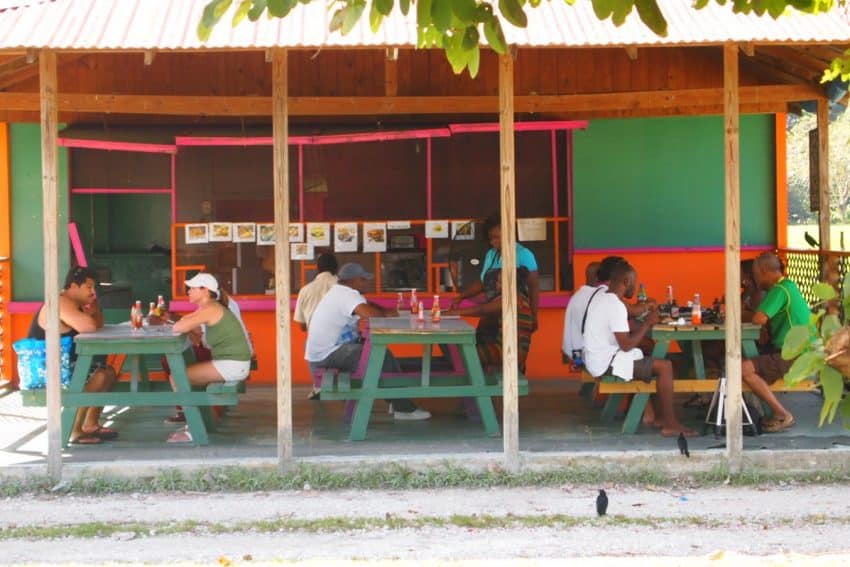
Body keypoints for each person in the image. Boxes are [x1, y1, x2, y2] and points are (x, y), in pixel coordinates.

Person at [583, 261, 697, 437]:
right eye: (634, 283)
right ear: (626, 281)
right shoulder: (615, 305)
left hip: (599, 358)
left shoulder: (605, 298)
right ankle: (670, 424)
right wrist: (647, 323)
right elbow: (627, 345)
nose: (635, 287)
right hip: (605, 363)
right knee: (665, 367)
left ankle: (660, 417)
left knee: (650, 356)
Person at [306, 262, 430, 421]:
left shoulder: (339, 292)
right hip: (328, 355)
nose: (366, 282)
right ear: (353, 280)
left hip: (322, 355)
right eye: (363, 279)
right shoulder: (347, 294)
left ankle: (397, 399)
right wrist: (386, 314)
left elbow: (367, 305)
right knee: (379, 356)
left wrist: (385, 311)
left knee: (383, 355)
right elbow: (368, 312)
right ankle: (402, 407)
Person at [28, 266, 117, 445]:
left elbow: (97, 324)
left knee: (108, 372)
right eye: (89, 288)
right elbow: (89, 327)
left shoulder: (76, 304)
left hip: (63, 363)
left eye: (94, 288)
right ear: (73, 286)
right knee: (99, 376)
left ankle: (91, 424)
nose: (93, 292)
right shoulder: (61, 302)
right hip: (47, 369)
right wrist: (90, 313)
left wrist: (94, 308)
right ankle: (73, 430)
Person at [166, 273, 253, 442]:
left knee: (177, 377)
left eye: (192, 288)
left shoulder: (210, 308)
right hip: (230, 363)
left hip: (232, 365)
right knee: (183, 376)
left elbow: (180, 326)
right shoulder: (209, 307)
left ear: (205, 291)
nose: (188, 291)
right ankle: (197, 422)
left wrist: (183, 322)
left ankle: (193, 427)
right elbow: (187, 322)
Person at [741, 252, 810, 433]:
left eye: (755, 274)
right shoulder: (787, 286)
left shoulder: (780, 289)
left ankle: (782, 414)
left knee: (744, 369)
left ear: (764, 271)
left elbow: (758, 319)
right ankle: (761, 411)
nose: (754, 279)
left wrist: (735, 312)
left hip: (796, 355)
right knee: (748, 358)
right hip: (798, 351)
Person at [451, 215, 540, 331]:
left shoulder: (524, 254)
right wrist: (461, 296)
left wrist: (534, 315)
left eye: (496, 237)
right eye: (491, 238)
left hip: (515, 316)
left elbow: (533, 287)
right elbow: (483, 282)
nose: (493, 242)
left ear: (508, 233)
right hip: (491, 315)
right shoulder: (491, 255)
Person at [445, 267, 534, 373]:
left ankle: (475, 383)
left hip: (509, 351)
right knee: (460, 351)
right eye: (497, 282)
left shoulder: (513, 300)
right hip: (506, 347)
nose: (497, 285)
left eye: (501, 283)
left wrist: (449, 313)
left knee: (463, 354)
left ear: (512, 285)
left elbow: (482, 310)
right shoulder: (510, 299)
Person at [294, 253, 339, 400]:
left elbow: (302, 325)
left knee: (310, 345)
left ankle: (318, 386)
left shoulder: (305, 290)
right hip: (343, 342)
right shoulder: (342, 287)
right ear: (336, 268)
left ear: (317, 268)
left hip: (316, 345)